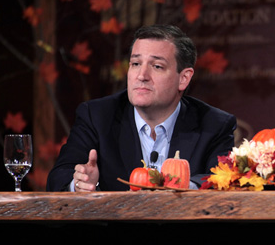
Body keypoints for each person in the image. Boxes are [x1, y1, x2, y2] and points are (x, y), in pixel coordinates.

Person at [46, 24, 237, 191]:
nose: (142, 75)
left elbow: (222, 181)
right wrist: (80, 184)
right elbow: (58, 180)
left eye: (157, 66)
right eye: (136, 63)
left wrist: (186, 187)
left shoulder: (215, 125)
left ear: (183, 78)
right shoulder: (97, 116)